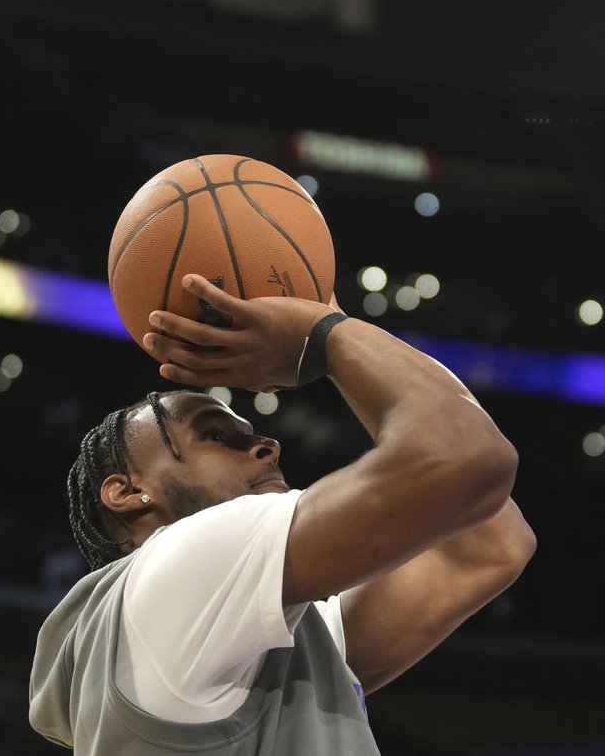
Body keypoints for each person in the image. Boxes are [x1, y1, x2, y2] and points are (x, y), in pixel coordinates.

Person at [30, 273, 535, 753]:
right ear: (127, 491)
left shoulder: (238, 626)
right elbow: (470, 458)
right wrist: (326, 334)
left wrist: (330, 334)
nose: (266, 444)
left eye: (252, 433)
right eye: (214, 434)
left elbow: (488, 545)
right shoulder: (179, 564)